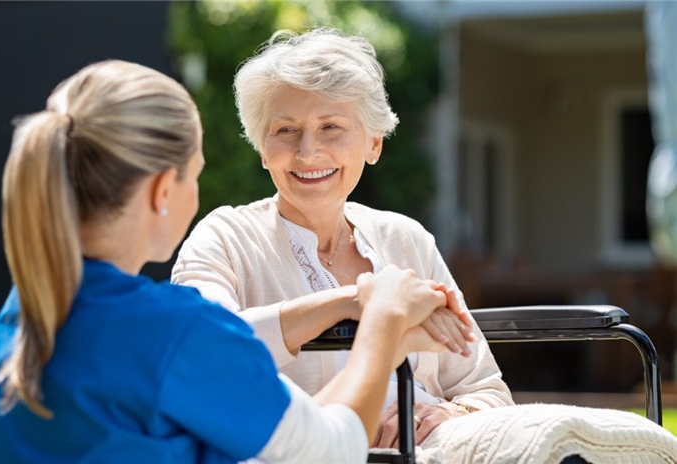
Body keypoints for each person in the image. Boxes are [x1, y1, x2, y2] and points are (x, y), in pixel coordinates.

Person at [0, 60, 464, 463]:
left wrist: (349, 303)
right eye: (195, 176)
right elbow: (331, 451)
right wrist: (382, 318)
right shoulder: (175, 332)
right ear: (163, 191)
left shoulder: (21, 316)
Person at [171, 28, 514, 450]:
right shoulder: (224, 238)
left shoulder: (406, 239)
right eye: (285, 130)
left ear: (373, 143)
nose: (307, 152)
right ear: (262, 148)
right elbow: (205, 353)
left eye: (330, 127)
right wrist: (356, 301)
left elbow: (486, 389)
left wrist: (446, 414)